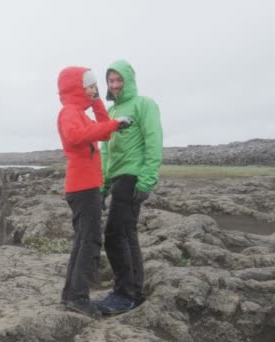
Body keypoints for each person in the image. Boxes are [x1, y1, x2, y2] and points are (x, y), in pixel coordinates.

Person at [56, 66, 131, 318]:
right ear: (76, 87)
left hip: (86, 186)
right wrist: (111, 125)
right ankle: (78, 297)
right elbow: (76, 136)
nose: (93, 89)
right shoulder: (69, 113)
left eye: (94, 86)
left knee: (82, 241)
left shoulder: (80, 112)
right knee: (89, 242)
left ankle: (71, 294)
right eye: (89, 86)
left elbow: (103, 128)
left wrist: (98, 101)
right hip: (82, 187)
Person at [97, 60, 163, 315]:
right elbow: (106, 152)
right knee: (127, 234)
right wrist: (103, 186)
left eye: (118, 80)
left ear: (129, 80)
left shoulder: (144, 104)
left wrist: (147, 180)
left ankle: (125, 294)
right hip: (116, 180)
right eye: (110, 81)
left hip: (132, 177)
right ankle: (133, 291)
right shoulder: (112, 112)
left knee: (114, 236)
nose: (114, 85)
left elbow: (154, 141)